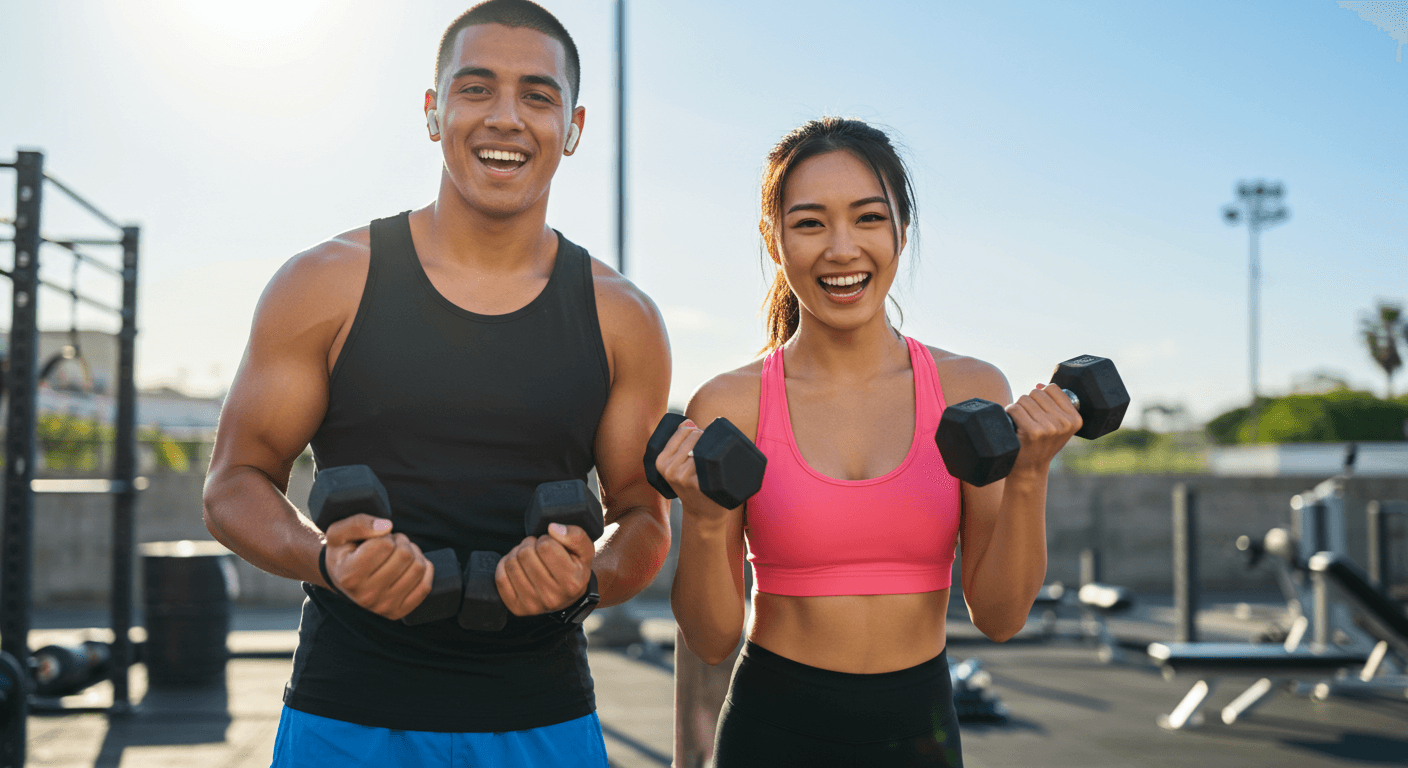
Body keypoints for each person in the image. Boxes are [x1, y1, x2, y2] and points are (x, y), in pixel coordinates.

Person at [201, 2, 671, 766]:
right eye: (477, 88)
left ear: (574, 126)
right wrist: (324, 558)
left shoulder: (623, 318)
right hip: (346, 718)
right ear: (433, 110)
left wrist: (587, 579)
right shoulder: (324, 284)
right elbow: (233, 483)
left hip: (543, 719)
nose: (507, 118)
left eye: (539, 96)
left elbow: (643, 519)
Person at [658, 117, 1083, 767]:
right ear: (774, 242)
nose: (841, 248)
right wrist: (706, 517)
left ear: (901, 232)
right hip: (772, 730)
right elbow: (713, 640)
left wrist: (1030, 474)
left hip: (918, 734)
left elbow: (999, 616)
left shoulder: (969, 389)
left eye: (867, 218)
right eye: (808, 223)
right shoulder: (731, 404)